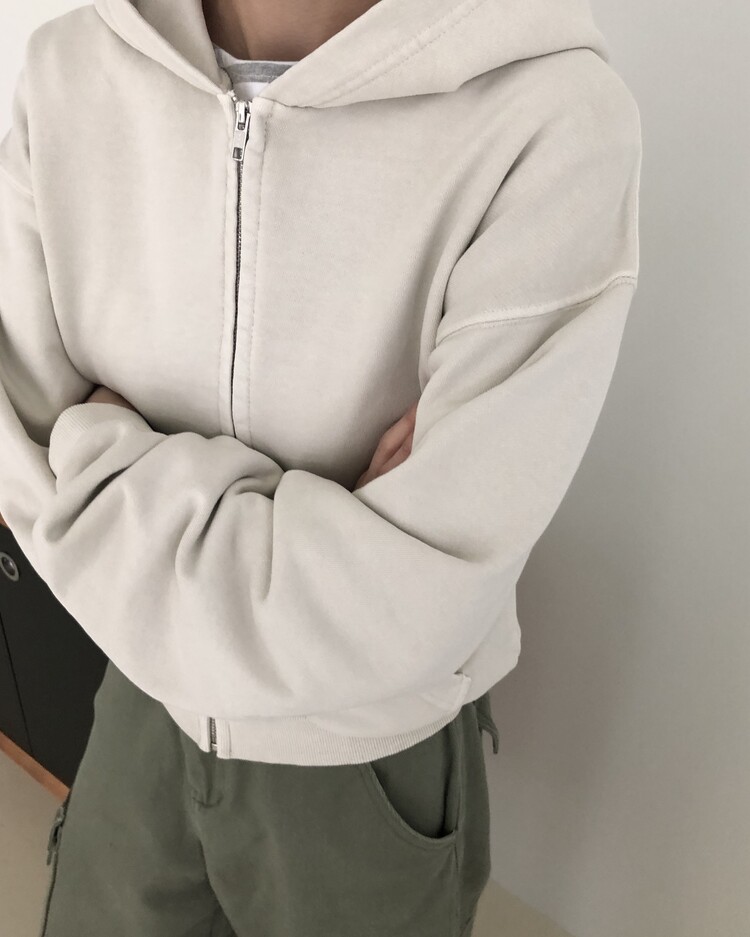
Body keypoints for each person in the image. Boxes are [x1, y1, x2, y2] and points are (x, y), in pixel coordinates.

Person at [0, 0, 641, 933]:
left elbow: (415, 599)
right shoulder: (68, 69)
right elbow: (21, 466)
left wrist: (106, 458)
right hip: (143, 697)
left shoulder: (551, 120)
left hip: (367, 748)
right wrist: (336, 540)